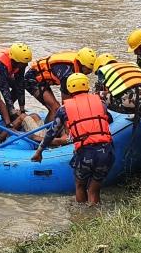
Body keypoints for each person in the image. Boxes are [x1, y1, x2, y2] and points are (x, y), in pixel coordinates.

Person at [31, 73, 114, 206]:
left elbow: (51, 133)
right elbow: (109, 119)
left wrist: (39, 151)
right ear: (87, 87)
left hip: (86, 152)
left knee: (80, 185)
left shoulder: (64, 110)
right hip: (106, 151)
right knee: (94, 189)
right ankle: (96, 214)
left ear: (69, 90)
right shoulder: (101, 103)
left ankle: (81, 217)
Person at [93, 53, 141, 148]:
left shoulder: (103, 71)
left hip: (131, 102)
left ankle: (103, 124)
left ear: (99, 67)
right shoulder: (131, 65)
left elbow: (101, 93)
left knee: (95, 96)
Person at [24, 48, 97, 122]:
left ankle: (49, 123)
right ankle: (49, 131)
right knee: (55, 108)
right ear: (81, 64)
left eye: (91, 69)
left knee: (58, 107)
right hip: (32, 79)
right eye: (88, 69)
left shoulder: (78, 61)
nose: (90, 72)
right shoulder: (67, 73)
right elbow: (65, 103)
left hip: (44, 81)